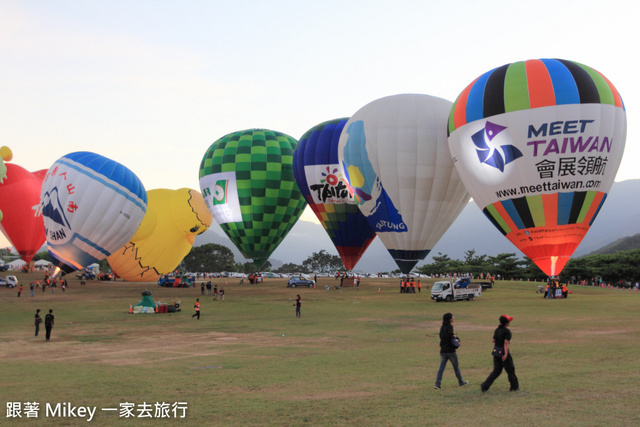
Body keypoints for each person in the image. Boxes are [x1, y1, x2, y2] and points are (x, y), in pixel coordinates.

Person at [481, 314, 519, 392]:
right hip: (503, 353)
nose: (509, 322)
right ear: (506, 323)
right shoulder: (507, 331)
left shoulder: (497, 329)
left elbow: (493, 340)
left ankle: (485, 386)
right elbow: (505, 343)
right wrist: (505, 354)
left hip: (496, 352)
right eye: (508, 321)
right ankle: (514, 387)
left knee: (497, 371)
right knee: (510, 370)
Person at [434, 313, 468, 389]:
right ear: (449, 319)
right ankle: (461, 381)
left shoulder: (442, 327)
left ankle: (437, 384)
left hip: (443, 351)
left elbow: (442, 337)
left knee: (441, 368)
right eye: (452, 317)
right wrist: (454, 336)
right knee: (456, 367)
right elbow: (450, 336)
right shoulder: (450, 326)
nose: (453, 318)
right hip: (450, 351)